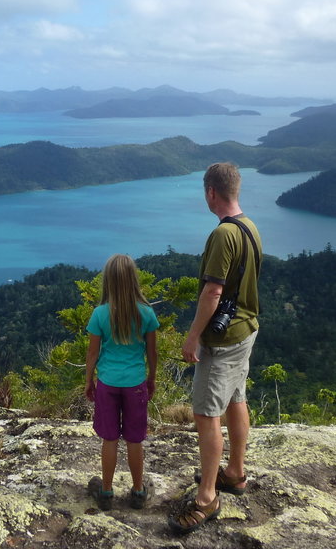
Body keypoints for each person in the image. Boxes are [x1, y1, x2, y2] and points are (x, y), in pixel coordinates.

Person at [168, 162, 262, 534]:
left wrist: (193, 337)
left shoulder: (223, 234)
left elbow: (213, 291)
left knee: (207, 414)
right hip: (246, 329)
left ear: (211, 192)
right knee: (236, 398)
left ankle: (207, 497)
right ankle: (235, 472)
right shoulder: (250, 226)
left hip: (222, 341)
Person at [85, 253, 159, 511]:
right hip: (135, 383)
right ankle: (138, 492)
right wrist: (151, 378)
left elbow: (93, 353)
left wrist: (88, 382)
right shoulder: (146, 313)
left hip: (107, 383)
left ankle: (106, 492)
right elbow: (152, 352)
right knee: (134, 439)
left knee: (110, 439)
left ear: (108, 282)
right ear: (133, 280)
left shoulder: (99, 314)